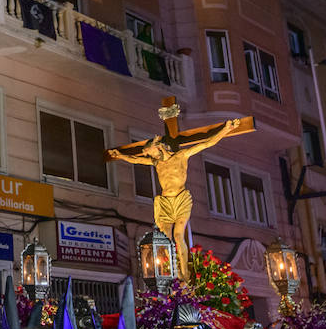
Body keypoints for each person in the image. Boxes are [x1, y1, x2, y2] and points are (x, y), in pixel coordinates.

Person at [105, 118, 246, 279]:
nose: (150, 155)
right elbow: (136, 159)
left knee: (179, 236)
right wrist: (121, 156)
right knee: (166, 237)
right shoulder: (156, 162)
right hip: (165, 203)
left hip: (180, 200)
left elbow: (206, 143)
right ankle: (170, 270)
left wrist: (226, 129)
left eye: (150, 152)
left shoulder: (181, 155)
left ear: (158, 147)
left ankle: (184, 272)